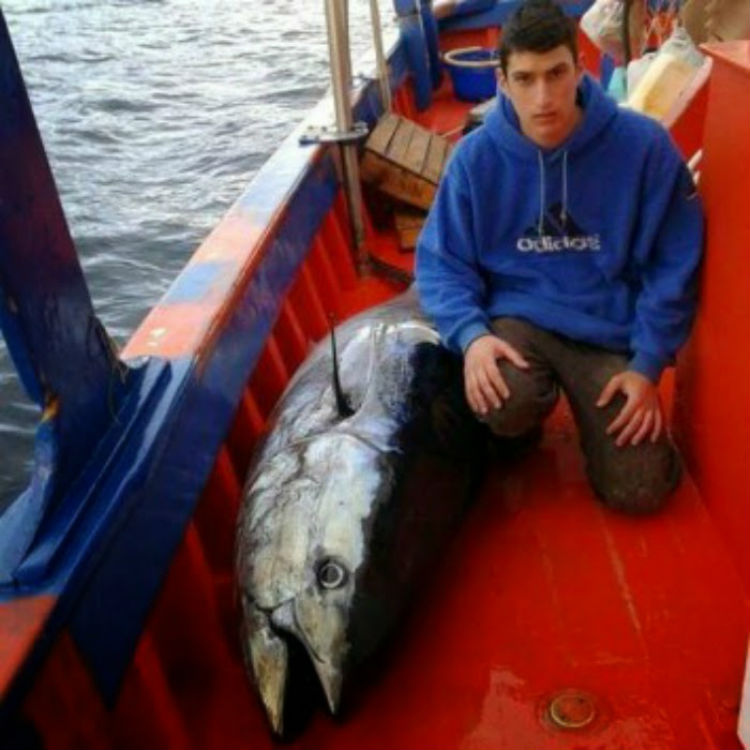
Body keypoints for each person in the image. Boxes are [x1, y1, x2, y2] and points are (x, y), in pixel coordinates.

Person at [415, 0, 704, 514]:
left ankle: (598, 430)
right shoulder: (474, 160)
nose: (543, 98)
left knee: (641, 488)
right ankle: (518, 429)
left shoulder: (645, 148)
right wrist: (472, 336)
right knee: (504, 399)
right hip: (518, 321)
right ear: (502, 82)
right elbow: (443, 263)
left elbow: (674, 262)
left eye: (556, 74)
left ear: (580, 68)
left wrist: (647, 364)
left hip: (607, 330)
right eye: (524, 79)